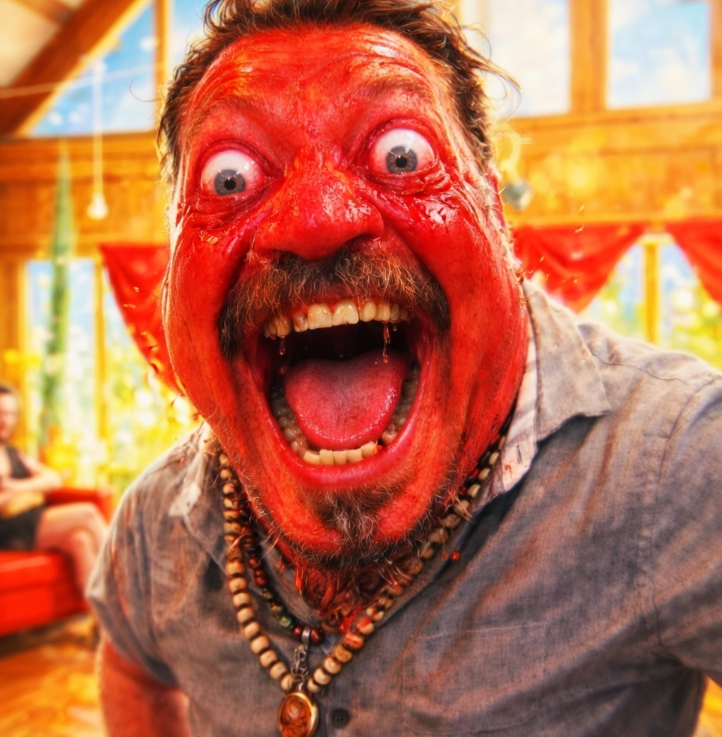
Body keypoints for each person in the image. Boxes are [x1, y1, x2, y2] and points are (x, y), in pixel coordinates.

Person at [88, 1, 722, 735]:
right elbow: (131, 666)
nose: (317, 218)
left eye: (402, 158)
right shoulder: (157, 518)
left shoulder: (679, 465)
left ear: (496, 213)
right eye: (229, 180)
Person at [0, 382, 107, 593]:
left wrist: (16, 488)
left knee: (81, 540)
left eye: (11, 414)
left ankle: (103, 612)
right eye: (1, 413)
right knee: (88, 514)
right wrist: (30, 490)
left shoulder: (13, 453)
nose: (6, 420)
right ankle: (129, 581)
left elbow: (52, 479)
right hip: (8, 528)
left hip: (30, 518)